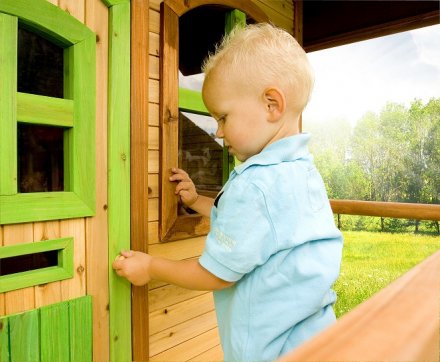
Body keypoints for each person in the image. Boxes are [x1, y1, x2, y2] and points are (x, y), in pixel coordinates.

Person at [113, 23, 343, 361]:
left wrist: (151, 266)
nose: (218, 132)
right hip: (316, 339)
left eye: (222, 117)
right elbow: (258, 228)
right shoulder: (300, 171)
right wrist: (195, 201)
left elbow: (215, 274)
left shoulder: (256, 183)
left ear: (271, 104)